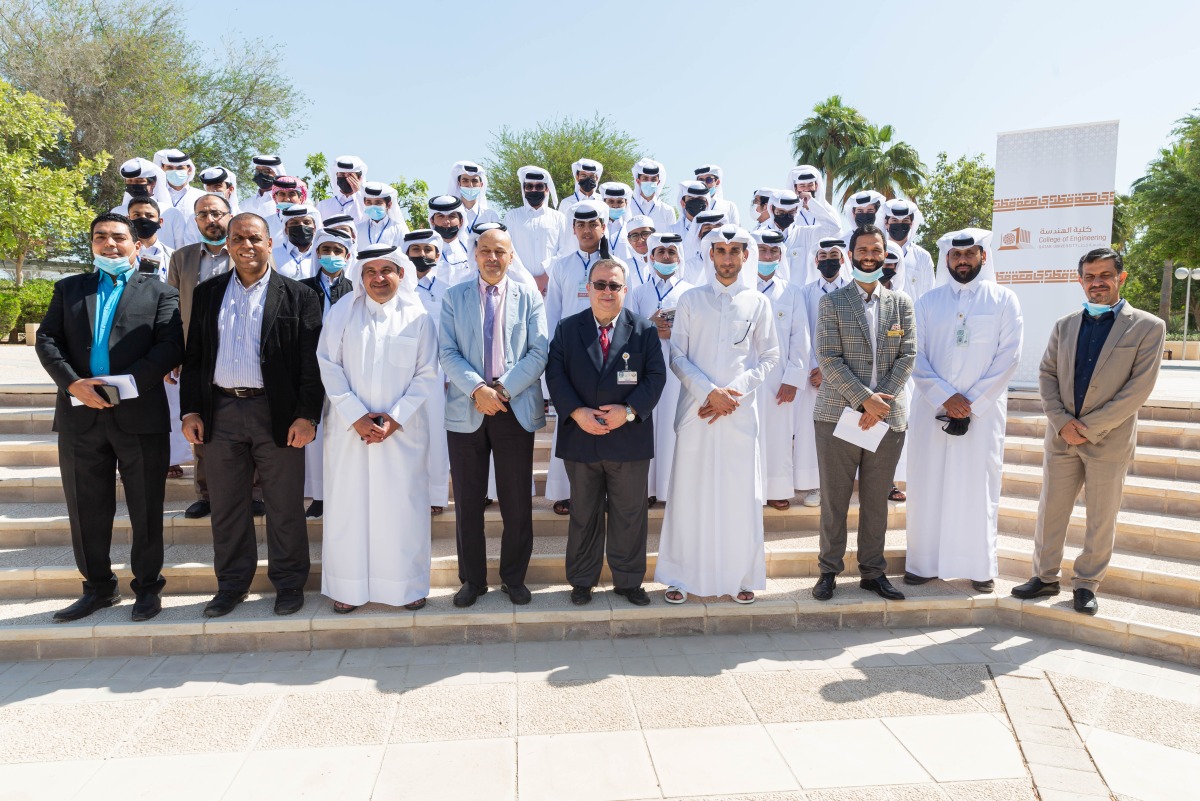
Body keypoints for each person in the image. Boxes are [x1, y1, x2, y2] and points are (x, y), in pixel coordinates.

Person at [35, 212, 184, 622]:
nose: (110, 244)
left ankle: (148, 590)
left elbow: (171, 346)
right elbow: (48, 339)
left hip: (138, 415)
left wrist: (128, 384)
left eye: (119, 237)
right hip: (80, 416)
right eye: (101, 237)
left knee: (146, 507)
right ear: (92, 244)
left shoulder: (159, 292)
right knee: (86, 509)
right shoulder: (69, 289)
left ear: (137, 245)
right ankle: (97, 588)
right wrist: (72, 383)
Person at [179, 212, 324, 618]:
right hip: (220, 412)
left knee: (284, 505)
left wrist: (307, 416)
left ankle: (290, 583)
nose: (247, 245)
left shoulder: (299, 296)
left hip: (275, 414)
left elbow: (312, 365)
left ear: (269, 242)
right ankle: (231, 586)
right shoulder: (208, 294)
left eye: (255, 238)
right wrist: (190, 409)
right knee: (226, 506)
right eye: (238, 238)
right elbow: (194, 358)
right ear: (228, 244)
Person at [1013, 247, 1166, 615]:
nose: (1097, 283)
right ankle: (1045, 576)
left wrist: (1089, 427)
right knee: (1051, 510)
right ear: (1080, 280)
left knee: (1101, 516)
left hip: (1108, 440)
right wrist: (1062, 422)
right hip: (1062, 436)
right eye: (1090, 277)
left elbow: (1138, 389)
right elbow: (1046, 375)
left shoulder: (1148, 327)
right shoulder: (1065, 325)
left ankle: (1086, 584)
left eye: (1105, 276)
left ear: (1121, 277)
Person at [654, 225, 779, 605]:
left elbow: (770, 357)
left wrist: (731, 395)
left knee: (739, 496)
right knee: (689, 493)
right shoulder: (691, 299)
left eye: (734, 251)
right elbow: (677, 357)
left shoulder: (758, 302)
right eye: (720, 251)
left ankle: (741, 576)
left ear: (745, 256)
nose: (727, 258)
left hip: (738, 415)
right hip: (697, 411)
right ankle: (679, 576)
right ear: (710, 255)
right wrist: (710, 392)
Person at [317, 243, 440, 613]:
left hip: (400, 432)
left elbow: (426, 373)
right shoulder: (342, 312)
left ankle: (407, 586)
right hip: (349, 430)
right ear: (361, 276)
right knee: (348, 509)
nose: (378, 278)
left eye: (386, 270)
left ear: (401, 274)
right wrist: (356, 415)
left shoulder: (418, 316)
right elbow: (328, 364)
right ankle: (348, 587)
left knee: (402, 509)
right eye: (370, 271)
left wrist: (393, 419)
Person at [907, 229, 1023, 593]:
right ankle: (923, 564)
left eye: (969, 254)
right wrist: (945, 397)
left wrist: (969, 401)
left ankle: (978, 566)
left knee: (977, 487)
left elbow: (1009, 357)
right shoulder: (928, 302)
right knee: (928, 485)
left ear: (983, 258)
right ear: (946, 260)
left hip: (983, 414)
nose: (962, 261)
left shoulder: (1004, 300)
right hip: (932, 410)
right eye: (955, 256)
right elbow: (915, 354)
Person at [545, 257, 667, 606]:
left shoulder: (643, 330)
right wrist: (576, 412)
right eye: (600, 284)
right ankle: (582, 580)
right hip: (582, 439)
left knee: (630, 516)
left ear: (624, 290)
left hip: (628, 441)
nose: (607, 291)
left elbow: (656, 377)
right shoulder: (568, 329)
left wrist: (628, 412)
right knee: (584, 514)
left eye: (614, 285)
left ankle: (628, 582)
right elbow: (555, 375)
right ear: (588, 289)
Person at [440, 228, 548, 607]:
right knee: (468, 502)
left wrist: (501, 390)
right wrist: (478, 390)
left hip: (512, 407)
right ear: (474, 254)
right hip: (467, 407)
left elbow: (538, 351)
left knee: (516, 500)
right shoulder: (454, 297)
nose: (491, 257)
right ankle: (472, 580)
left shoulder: (529, 295)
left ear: (511, 255)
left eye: (499, 251)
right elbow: (447, 351)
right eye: (484, 250)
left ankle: (513, 578)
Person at [811, 224, 915, 603]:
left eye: (877, 250)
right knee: (834, 499)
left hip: (887, 418)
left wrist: (879, 402)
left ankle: (873, 572)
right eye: (863, 250)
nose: (870, 256)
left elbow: (908, 355)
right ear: (850, 254)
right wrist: (862, 399)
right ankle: (828, 571)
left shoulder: (901, 303)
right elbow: (828, 357)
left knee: (875, 501)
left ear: (886, 255)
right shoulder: (832, 302)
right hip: (838, 415)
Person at [167, 193, 266, 519]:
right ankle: (206, 495)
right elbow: (170, 310)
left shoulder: (247, 252)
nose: (211, 219)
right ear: (195, 220)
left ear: (229, 216)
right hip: (200, 354)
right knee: (201, 426)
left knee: (250, 425)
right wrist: (173, 353)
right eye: (203, 214)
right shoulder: (182, 258)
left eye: (216, 213)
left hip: (242, 351)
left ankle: (253, 493)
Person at [544, 199, 609, 516]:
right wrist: (553, 354)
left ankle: (604, 491)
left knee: (605, 418)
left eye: (592, 224)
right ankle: (566, 491)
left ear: (603, 227)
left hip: (607, 350)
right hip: (570, 352)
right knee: (570, 419)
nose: (586, 230)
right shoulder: (561, 265)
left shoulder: (614, 265)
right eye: (580, 225)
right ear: (573, 229)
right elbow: (552, 312)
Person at [628, 232, 694, 506]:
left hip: (678, 369)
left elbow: (699, 332)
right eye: (661, 252)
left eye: (671, 252)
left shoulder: (691, 291)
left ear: (679, 257)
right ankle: (645, 489)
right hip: (646, 370)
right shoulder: (638, 292)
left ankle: (671, 490)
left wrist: (674, 333)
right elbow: (627, 331)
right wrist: (650, 325)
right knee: (647, 426)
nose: (666, 257)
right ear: (651, 256)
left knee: (673, 427)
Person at [127, 197, 190, 478]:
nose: (143, 219)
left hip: (166, 331)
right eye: (136, 214)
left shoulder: (176, 255)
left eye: (148, 214)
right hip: (129, 334)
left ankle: (171, 458)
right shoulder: (116, 255)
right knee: (131, 398)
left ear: (160, 221)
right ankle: (129, 457)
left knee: (172, 400)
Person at [298, 228, 356, 519]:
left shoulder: (357, 289)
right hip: (310, 369)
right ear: (316, 253)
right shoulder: (301, 287)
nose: (331, 256)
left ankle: (346, 492)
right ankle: (319, 495)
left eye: (337, 250)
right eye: (325, 250)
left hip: (348, 371)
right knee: (315, 435)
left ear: (347, 255)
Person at [752, 228, 810, 511]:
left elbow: (800, 339)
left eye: (773, 251)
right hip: (745, 376)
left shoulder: (792, 292)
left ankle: (776, 489)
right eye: (762, 250)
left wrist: (793, 379)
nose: (767, 256)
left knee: (777, 435)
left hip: (778, 380)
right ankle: (747, 489)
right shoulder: (740, 287)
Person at [793, 238, 852, 507]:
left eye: (834, 255)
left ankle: (841, 486)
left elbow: (854, 337)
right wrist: (813, 368)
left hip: (845, 374)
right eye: (823, 255)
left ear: (843, 260)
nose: (828, 260)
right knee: (812, 432)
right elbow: (802, 335)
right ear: (815, 261)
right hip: (811, 375)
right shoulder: (804, 293)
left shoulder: (854, 291)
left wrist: (830, 371)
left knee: (843, 433)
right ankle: (814, 486)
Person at [405, 229, 452, 514]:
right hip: (402, 374)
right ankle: (408, 494)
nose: (422, 255)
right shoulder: (398, 288)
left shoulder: (448, 288)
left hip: (438, 376)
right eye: (416, 250)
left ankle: (435, 497)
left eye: (428, 250)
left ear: (437, 254)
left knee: (436, 435)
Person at [504, 165, 570, 293]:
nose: (534, 190)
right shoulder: (512, 217)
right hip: (519, 286)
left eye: (539, 186)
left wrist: (544, 278)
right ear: (524, 190)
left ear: (546, 190)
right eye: (529, 186)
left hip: (551, 286)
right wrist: (526, 280)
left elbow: (564, 251)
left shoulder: (559, 218)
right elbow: (508, 250)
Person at [881, 198, 935, 302]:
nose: (899, 224)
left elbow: (930, 293)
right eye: (894, 220)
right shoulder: (877, 254)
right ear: (886, 223)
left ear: (911, 224)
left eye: (905, 221)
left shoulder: (923, 256)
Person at [152, 149, 205, 248]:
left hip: (194, 254)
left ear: (189, 170)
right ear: (162, 169)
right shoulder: (154, 197)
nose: (175, 171)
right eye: (170, 167)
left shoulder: (202, 197)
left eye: (180, 168)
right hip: (162, 255)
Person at [428, 195, 473, 285]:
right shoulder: (426, 252)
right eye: (441, 216)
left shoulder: (471, 251)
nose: (446, 222)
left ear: (461, 221)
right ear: (432, 221)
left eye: (451, 216)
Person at [447, 160, 501, 232]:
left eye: (474, 181)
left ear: (481, 185)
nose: (470, 185)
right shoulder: (449, 214)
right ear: (459, 184)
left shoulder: (490, 215)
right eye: (465, 181)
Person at [273, 204, 323, 280]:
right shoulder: (273, 255)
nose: (301, 226)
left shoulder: (321, 256)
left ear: (314, 228)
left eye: (306, 222)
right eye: (294, 223)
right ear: (286, 229)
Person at [317, 155, 368, 224]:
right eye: (342, 175)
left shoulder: (365, 204)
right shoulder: (323, 205)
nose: (346, 178)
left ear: (359, 179)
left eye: (350, 175)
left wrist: (358, 192)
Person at [357, 181, 409, 247]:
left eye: (378, 203)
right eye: (369, 202)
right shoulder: (357, 229)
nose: (373, 206)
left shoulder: (399, 230)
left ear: (389, 205)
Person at [630, 158, 677, 230]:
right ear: (638, 181)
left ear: (658, 182)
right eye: (645, 179)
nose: (649, 182)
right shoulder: (629, 208)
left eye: (653, 179)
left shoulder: (667, 210)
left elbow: (671, 238)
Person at [599, 182, 637, 265]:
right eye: (611, 201)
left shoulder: (631, 229)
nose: (615, 205)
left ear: (626, 204)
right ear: (604, 203)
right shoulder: (598, 228)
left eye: (620, 202)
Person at [262, 176, 308, 240]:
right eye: (282, 194)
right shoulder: (265, 223)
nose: (287, 199)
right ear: (275, 197)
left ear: (301, 198)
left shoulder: (309, 222)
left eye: (292, 194)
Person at [623, 215, 656, 288]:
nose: (641, 240)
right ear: (629, 240)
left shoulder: (665, 263)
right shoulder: (623, 267)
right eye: (635, 236)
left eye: (645, 234)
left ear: (654, 235)